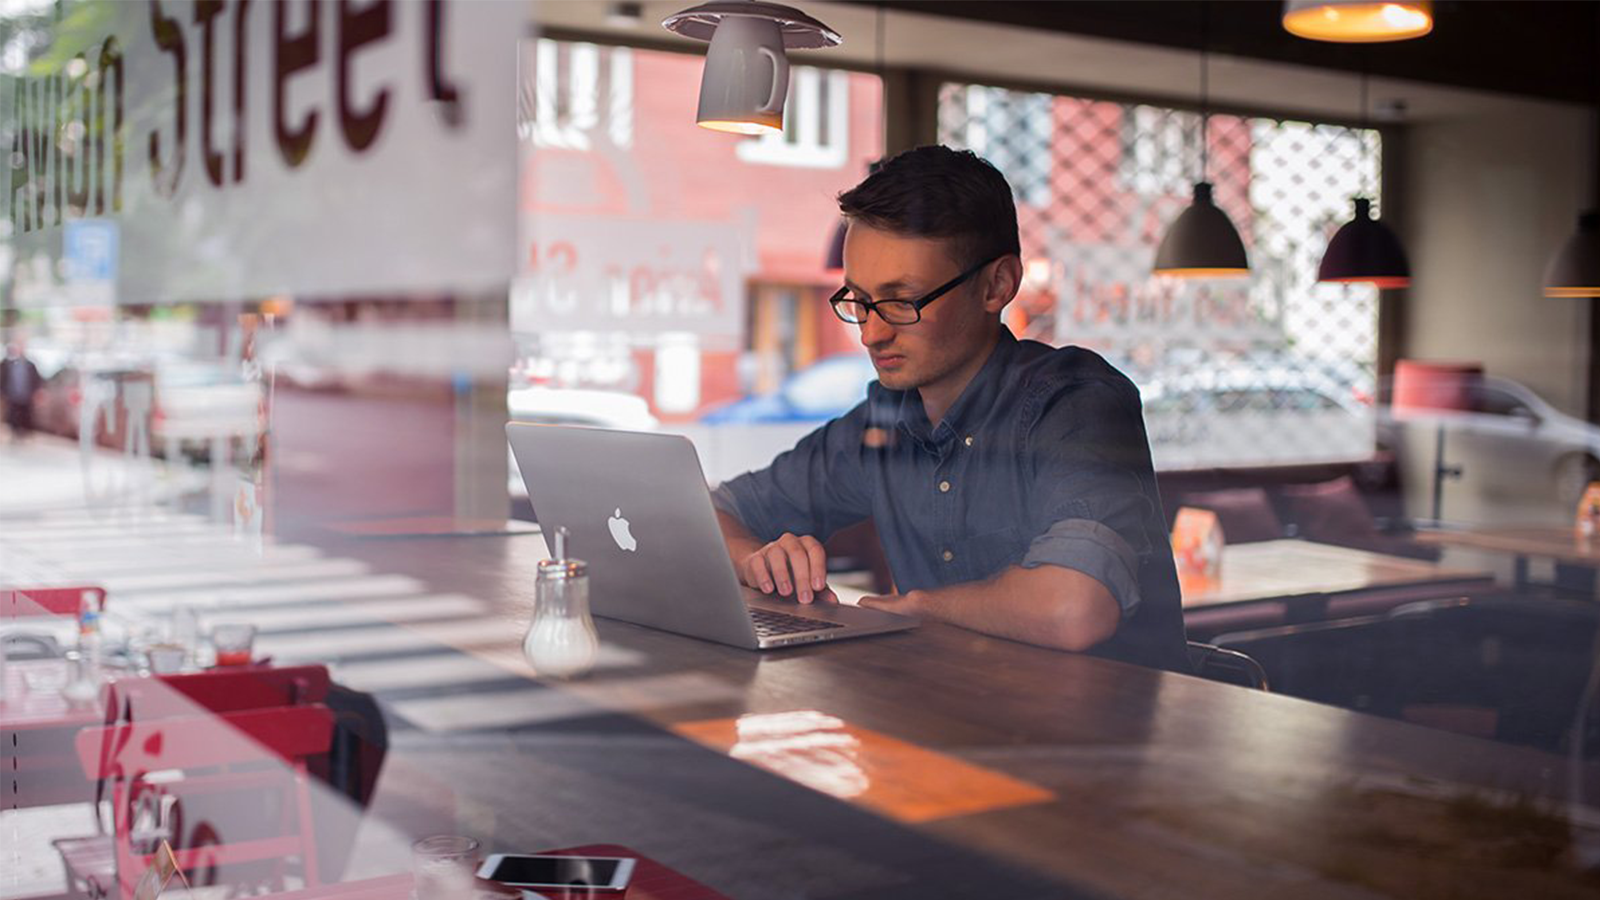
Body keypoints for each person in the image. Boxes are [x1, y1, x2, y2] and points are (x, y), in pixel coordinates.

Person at [711, 146, 1188, 671]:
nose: (872, 331)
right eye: (860, 300)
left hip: (1109, 741)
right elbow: (713, 512)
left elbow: (1075, 608)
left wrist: (918, 608)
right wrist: (756, 560)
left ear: (997, 285)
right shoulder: (885, 420)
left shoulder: (1075, 402)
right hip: (954, 720)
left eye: (901, 300)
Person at [0, 339, 42, 443]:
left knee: (26, 413)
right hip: (12, 393)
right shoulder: (7, 364)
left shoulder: (30, 365)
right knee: (13, 414)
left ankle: (24, 432)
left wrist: (36, 391)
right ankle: (15, 432)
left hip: (26, 393)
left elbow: (36, 379)